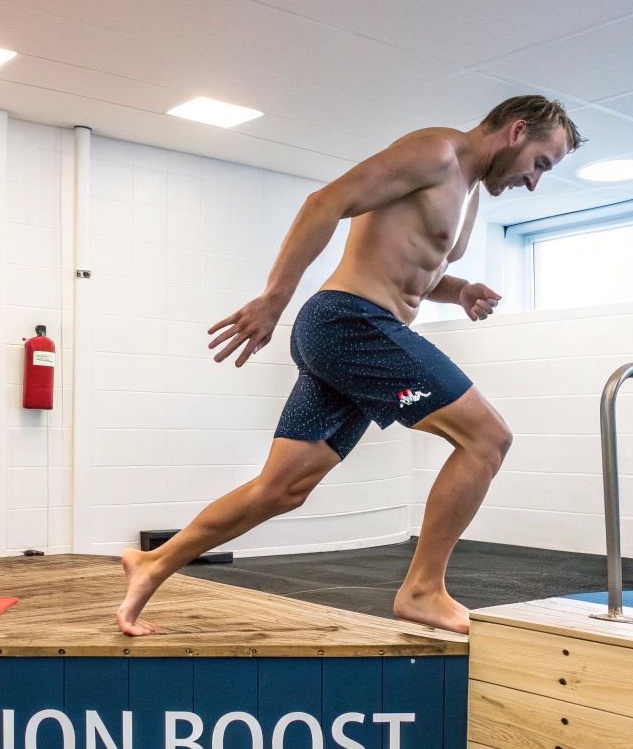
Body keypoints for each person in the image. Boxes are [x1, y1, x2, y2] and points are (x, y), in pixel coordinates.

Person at [118, 95, 584, 636]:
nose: (535, 182)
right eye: (540, 164)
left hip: (354, 333)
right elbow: (325, 202)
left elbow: (419, 272)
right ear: (517, 131)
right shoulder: (435, 152)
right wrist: (274, 298)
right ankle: (423, 589)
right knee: (487, 439)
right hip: (350, 322)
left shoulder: (470, 196)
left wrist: (459, 291)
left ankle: (153, 562)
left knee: (281, 490)